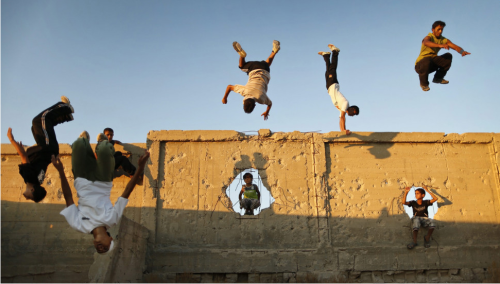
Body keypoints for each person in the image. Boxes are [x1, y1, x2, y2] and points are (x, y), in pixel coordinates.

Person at [55, 131, 150, 253]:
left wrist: (61, 171)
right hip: (103, 180)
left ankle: (84, 140)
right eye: (105, 247)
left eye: (99, 249)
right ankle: (102, 142)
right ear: (110, 239)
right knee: (105, 149)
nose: (100, 248)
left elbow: (68, 198)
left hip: (82, 179)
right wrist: (140, 168)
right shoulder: (112, 219)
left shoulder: (79, 226)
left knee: (78, 145)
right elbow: (127, 191)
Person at [6, 96, 74, 202]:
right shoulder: (29, 178)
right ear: (32, 189)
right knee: (39, 121)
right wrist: (11, 140)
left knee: (36, 127)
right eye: (30, 197)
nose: (27, 198)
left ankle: (66, 116)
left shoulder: (38, 180)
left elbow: (34, 160)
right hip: (47, 147)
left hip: (49, 150)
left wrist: (26, 151)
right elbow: (23, 156)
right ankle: (66, 107)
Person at [222, 40, 280, 120]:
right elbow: (229, 87)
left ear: (255, 105)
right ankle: (242, 56)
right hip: (254, 68)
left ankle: (274, 51)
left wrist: (267, 112)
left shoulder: (262, 99)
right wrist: (225, 98)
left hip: (265, 70)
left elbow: (270, 104)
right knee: (242, 67)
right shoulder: (244, 91)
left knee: (267, 64)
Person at [415, 20, 471, 91]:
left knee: (448, 56)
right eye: (438, 29)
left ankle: (438, 78)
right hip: (420, 65)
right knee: (427, 59)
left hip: (431, 64)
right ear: (433, 30)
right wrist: (439, 45)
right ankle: (424, 84)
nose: (440, 31)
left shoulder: (443, 39)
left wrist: (462, 51)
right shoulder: (429, 37)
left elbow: (454, 46)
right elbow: (426, 42)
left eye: (442, 29)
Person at [318, 44, 359, 135]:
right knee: (332, 68)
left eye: (354, 114)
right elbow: (342, 118)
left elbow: (341, 118)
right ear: (352, 108)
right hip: (333, 83)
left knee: (328, 71)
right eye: (354, 112)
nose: (352, 114)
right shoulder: (345, 104)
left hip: (329, 87)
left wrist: (342, 131)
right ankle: (335, 52)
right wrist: (344, 130)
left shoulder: (341, 108)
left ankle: (326, 55)